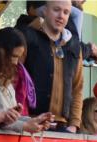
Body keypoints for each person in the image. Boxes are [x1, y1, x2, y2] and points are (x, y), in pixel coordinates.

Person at [20, 0, 83, 133]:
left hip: (63, 127)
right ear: (45, 11)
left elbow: (77, 88)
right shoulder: (28, 37)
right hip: (31, 122)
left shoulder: (74, 45)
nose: (61, 16)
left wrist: (74, 124)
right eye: (56, 10)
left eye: (66, 12)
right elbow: (15, 79)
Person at [0, 26, 53, 133]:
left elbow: (12, 118)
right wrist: (25, 126)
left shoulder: (4, 75)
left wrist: (36, 120)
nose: (16, 62)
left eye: (18, 57)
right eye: (14, 56)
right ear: (1, 51)